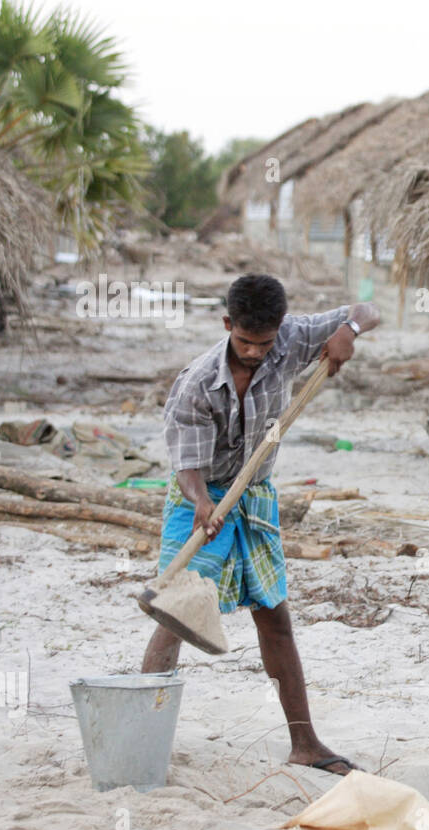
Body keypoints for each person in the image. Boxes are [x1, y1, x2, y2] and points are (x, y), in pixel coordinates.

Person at [141, 274, 381, 775]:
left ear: (280, 330)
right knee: (175, 614)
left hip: (255, 497)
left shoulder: (292, 337)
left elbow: (368, 307)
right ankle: (141, 741)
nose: (253, 352)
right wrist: (203, 504)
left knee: (274, 616)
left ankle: (305, 744)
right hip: (200, 500)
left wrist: (350, 331)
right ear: (228, 325)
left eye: (263, 343)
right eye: (244, 341)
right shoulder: (196, 384)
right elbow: (187, 466)